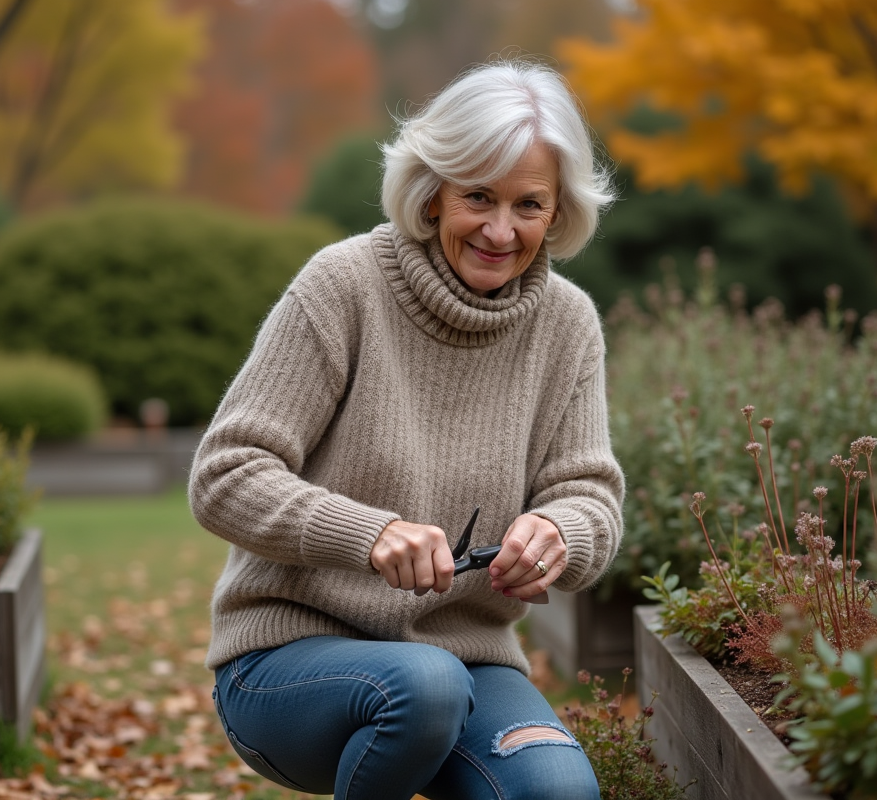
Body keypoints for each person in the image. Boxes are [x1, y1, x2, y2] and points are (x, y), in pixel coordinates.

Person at [188, 60, 624, 800]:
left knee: (559, 791)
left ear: (558, 212)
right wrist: (367, 533)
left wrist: (562, 532)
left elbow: (591, 495)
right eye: (478, 196)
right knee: (422, 689)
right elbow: (226, 473)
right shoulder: (343, 285)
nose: (500, 229)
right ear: (432, 193)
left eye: (529, 204)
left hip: (470, 660)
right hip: (288, 658)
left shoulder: (568, 323)